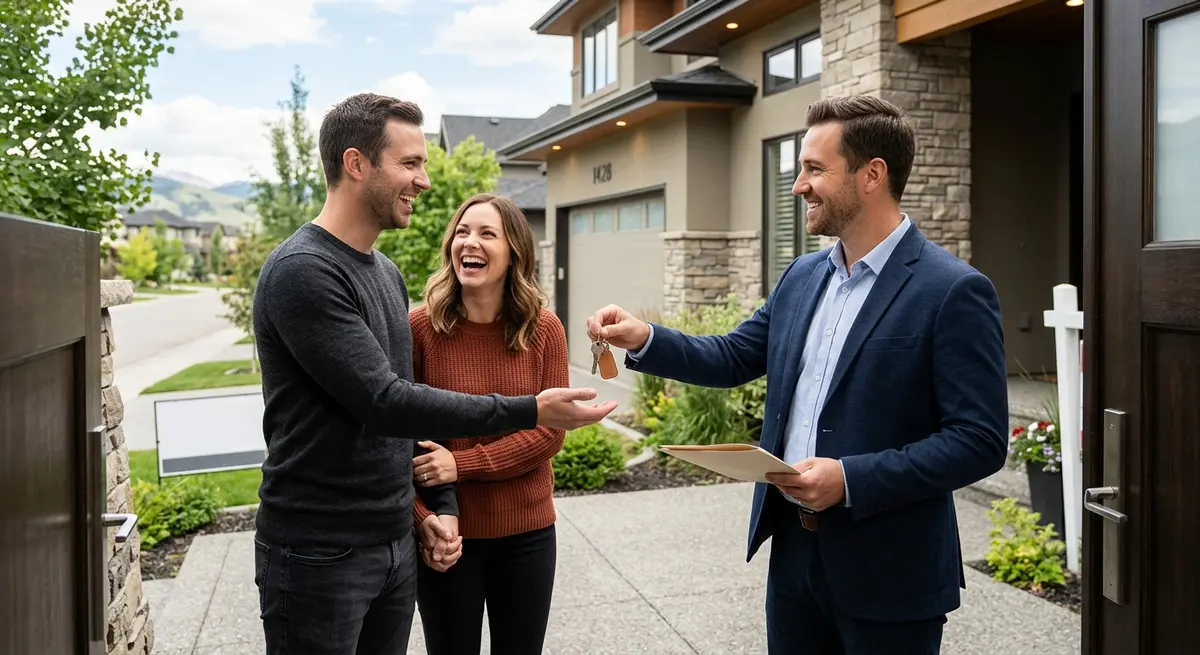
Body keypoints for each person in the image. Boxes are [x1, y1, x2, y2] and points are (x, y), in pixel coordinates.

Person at [586, 94, 1008, 654]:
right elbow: (735, 355)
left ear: (871, 175)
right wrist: (645, 338)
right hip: (793, 558)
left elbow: (978, 441)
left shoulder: (953, 290)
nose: (798, 186)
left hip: (891, 572)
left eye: (814, 169)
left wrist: (850, 479)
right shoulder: (804, 275)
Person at [250, 92, 617, 655]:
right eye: (411, 163)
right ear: (357, 164)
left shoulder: (383, 272)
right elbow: (387, 400)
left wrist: (436, 512)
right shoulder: (304, 271)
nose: (423, 181)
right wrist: (529, 408)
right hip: (321, 550)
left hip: (392, 542)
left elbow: (410, 425)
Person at [406, 192, 565, 655]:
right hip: (448, 537)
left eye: (486, 233)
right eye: (462, 232)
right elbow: (398, 433)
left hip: (528, 535)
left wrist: (461, 464)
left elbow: (548, 432)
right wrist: (423, 520)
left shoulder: (543, 329)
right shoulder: (420, 329)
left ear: (514, 250)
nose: (469, 242)